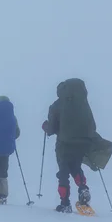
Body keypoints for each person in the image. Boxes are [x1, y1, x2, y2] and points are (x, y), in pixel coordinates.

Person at [42, 78, 96, 213]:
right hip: (82, 143)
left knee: (63, 172)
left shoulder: (58, 105)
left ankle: (65, 203)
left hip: (64, 144)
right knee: (76, 167)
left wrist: (46, 127)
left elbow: (53, 128)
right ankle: (83, 188)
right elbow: (92, 125)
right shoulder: (83, 104)